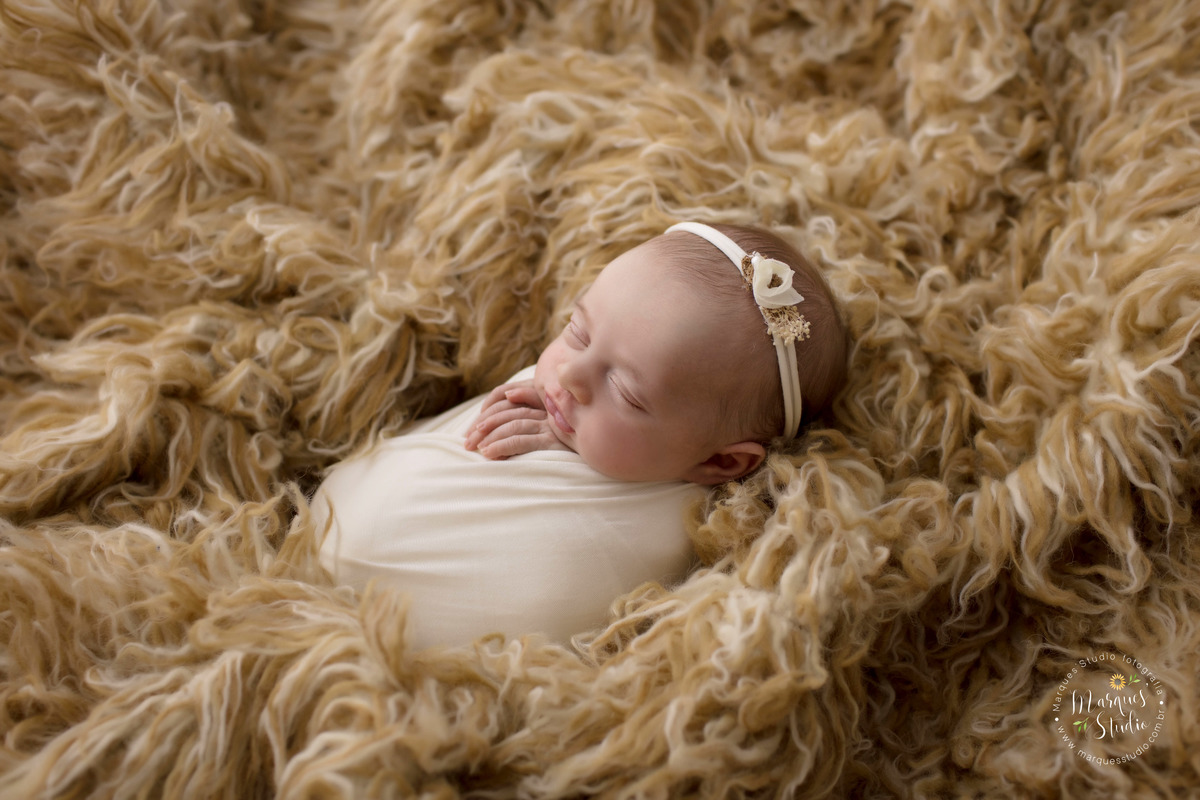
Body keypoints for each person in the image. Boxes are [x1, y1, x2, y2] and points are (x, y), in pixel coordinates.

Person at [311, 222, 848, 648]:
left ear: (722, 465)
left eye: (628, 392)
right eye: (578, 329)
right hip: (321, 547)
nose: (570, 374)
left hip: (404, 649)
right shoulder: (567, 391)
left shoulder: (698, 530)